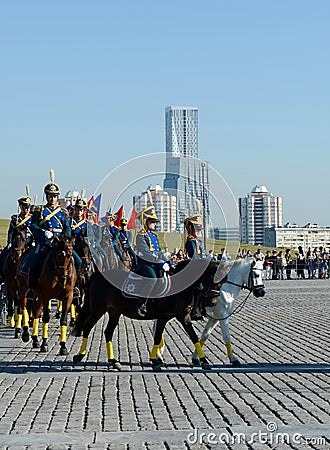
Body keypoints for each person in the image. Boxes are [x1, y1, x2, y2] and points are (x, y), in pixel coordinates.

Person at [25, 181, 72, 301]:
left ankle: (73, 287)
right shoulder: (40, 211)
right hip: (44, 243)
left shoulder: (62, 213)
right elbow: (33, 226)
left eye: (55, 196)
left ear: (57, 197)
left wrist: (63, 239)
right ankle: (31, 288)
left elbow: (67, 229)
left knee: (76, 260)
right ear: (46, 197)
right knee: (33, 260)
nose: (52, 199)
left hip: (59, 244)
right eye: (50, 196)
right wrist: (43, 233)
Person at [134, 206, 169, 317]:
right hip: (144, 264)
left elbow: (157, 252)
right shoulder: (141, 236)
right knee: (152, 279)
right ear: (145, 222)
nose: (155, 224)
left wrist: (168, 261)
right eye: (152, 222)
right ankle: (141, 304)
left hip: (154, 263)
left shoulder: (153, 236)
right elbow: (147, 254)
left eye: (155, 222)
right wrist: (160, 263)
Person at [0, 195, 33, 280]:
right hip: (16, 243)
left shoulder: (32, 219)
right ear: (21, 206)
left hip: (28, 242)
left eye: (28, 206)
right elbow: (11, 232)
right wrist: (10, 242)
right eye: (25, 206)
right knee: (3, 254)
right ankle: (2, 276)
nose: (27, 208)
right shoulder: (15, 219)